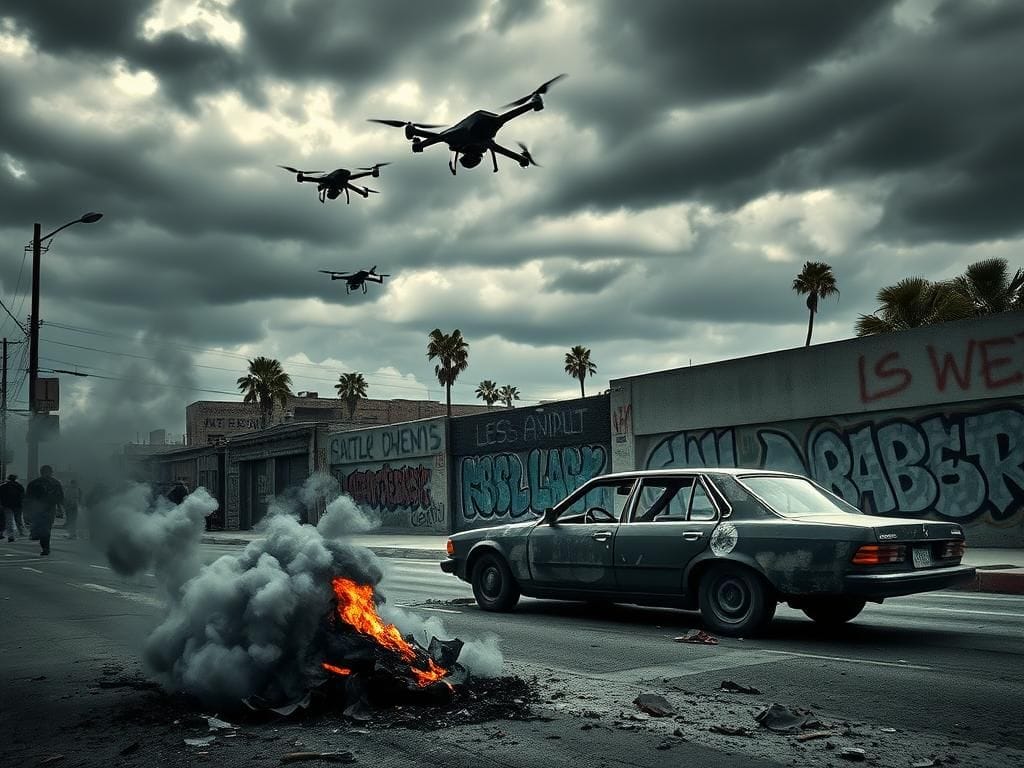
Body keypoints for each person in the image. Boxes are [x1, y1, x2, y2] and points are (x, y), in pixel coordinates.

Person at [25, 465, 64, 556]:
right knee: (46, 528)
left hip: (37, 507)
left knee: (40, 525)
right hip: (50, 508)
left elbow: (28, 498)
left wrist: (27, 511)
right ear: (51, 472)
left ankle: (40, 540)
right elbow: (60, 497)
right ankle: (45, 546)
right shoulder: (55, 483)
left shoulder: (34, 483)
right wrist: (59, 507)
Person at [1, 473, 26, 542]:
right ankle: (21, 532)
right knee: (18, 520)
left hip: (7, 505)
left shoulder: (3, 486)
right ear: (15, 479)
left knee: (9, 521)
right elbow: (23, 496)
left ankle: (11, 535)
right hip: (18, 505)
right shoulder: (19, 486)